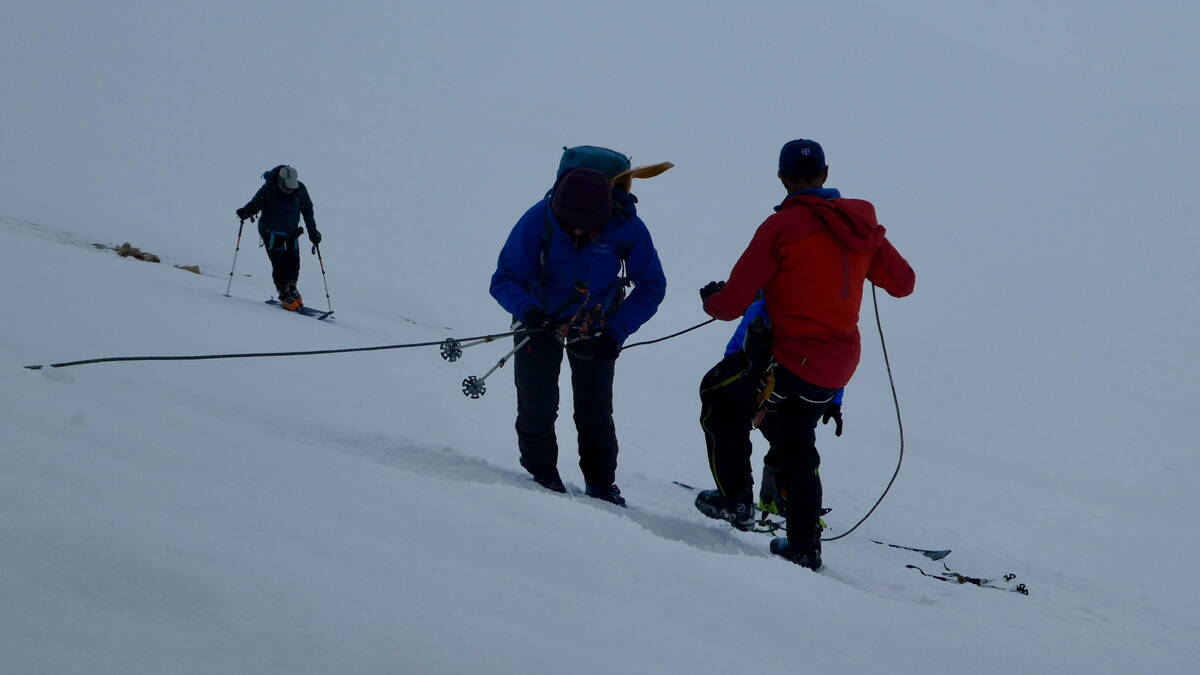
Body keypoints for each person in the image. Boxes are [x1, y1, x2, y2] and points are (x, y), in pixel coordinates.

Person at [700, 139, 915, 570]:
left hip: (786, 358)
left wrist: (712, 299)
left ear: (782, 178)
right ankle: (803, 545)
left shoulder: (781, 226)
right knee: (795, 440)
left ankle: (734, 499)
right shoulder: (860, 228)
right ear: (826, 174)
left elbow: (730, 305)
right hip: (836, 366)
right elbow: (903, 283)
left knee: (719, 394)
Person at [490, 146, 668, 507]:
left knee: (594, 410)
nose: (576, 231)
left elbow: (652, 285)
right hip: (538, 320)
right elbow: (505, 278)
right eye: (569, 225)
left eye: (586, 229)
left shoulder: (626, 227)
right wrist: (529, 312)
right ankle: (543, 478)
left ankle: (601, 486)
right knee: (537, 403)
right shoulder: (537, 219)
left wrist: (617, 330)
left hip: (597, 325)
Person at [694, 299, 845, 529]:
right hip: (807, 382)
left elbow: (735, 352)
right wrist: (834, 399)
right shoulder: (830, 300)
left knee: (729, 420)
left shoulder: (766, 300)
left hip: (767, 380)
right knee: (795, 442)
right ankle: (790, 507)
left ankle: (739, 500)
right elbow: (833, 352)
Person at [235, 165, 322, 311]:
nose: (289, 191)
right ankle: (283, 292)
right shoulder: (269, 190)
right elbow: (255, 204)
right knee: (280, 263)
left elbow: (307, 211)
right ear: (280, 182)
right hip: (271, 231)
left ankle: (292, 287)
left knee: (294, 262)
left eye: (291, 188)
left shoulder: (300, 189)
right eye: (287, 188)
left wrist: (313, 231)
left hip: (292, 232)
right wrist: (245, 212)